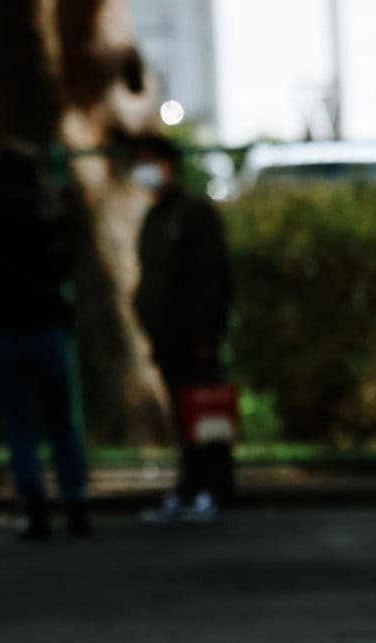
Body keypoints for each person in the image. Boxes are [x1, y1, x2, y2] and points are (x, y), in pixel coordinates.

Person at [0, 143, 91, 541]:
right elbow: (66, 259)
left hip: (4, 324)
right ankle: (75, 501)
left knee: (18, 424)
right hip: (47, 322)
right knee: (61, 422)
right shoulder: (47, 208)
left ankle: (33, 500)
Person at [132, 136, 234, 524]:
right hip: (167, 338)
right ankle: (190, 486)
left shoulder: (194, 213)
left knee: (205, 415)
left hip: (196, 340)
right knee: (183, 416)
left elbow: (214, 278)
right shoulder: (155, 217)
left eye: (150, 161)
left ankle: (214, 488)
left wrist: (207, 335)